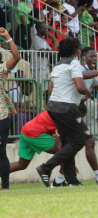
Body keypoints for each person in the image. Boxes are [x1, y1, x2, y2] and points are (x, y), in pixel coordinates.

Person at [51, 46, 98, 186]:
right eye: (91, 56)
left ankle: (61, 180)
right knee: (81, 142)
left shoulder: (90, 74)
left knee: (77, 144)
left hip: (72, 111)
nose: (94, 58)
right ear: (82, 58)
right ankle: (49, 170)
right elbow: (82, 77)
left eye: (95, 56)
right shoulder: (76, 67)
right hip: (66, 110)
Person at [35, 38, 92, 187]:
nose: (80, 50)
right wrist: (88, 92)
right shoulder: (74, 63)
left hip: (53, 108)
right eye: (79, 48)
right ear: (75, 50)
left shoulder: (58, 66)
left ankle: (72, 180)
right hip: (67, 108)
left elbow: (52, 88)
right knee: (79, 140)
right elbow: (80, 87)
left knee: (68, 142)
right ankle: (46, 167)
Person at [0, 27, 20, 190]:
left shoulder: (0, 70)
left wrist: (7, 37)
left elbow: (16, 57)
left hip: (1, 118)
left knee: (1, 154)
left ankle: (5, 187)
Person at [30, 22, 52, 89]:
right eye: (44, 28)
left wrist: (45, 51)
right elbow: (41, 53)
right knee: (41, 90)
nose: (46, 30)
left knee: (45, 90)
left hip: (44, 67)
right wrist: (46, 51)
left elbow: (51, 52)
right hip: (37, 68)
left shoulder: (43, 40)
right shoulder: (35, 38)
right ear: (39, 29)